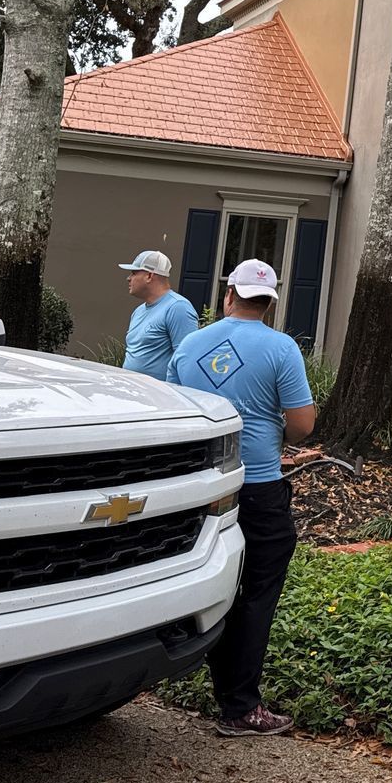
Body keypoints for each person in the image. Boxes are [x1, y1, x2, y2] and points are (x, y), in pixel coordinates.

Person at [168, 258, 315, 737]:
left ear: (228, 295)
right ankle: (240, 706)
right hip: (258, 488)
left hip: (201, 488)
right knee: (256, 593)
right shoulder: (281, 348)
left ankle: (170, 671)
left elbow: (175, 413)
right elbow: (302, 425)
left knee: (204, 582)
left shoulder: (191, 344)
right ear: (269, 303)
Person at [117, 249, 200, 379]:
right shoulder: (138, 311)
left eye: (133, 273)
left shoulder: (178, 308)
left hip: (158, 396)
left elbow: (186, 360)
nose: (128, 278)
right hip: (132, 392)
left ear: (149, 276)